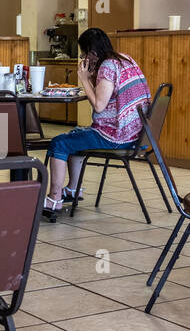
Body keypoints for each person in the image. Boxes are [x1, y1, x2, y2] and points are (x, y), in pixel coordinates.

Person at [40, 28, 151, 221]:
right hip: (137, 134)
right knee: (76, 134)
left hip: (116, 137)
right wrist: (91, 78)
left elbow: (99, 106)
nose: (84, 58)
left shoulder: (107, 67)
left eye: (84, 53)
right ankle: (73, 190)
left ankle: (54, 199)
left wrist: (83, 79)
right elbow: (108, 95)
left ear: (92, 53)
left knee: (59, 143)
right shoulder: (125, 59)